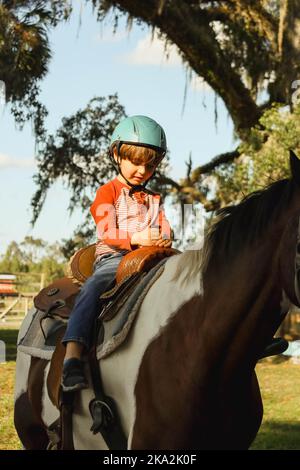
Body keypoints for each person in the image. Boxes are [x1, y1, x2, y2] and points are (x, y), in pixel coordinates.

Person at [61, 115, 172, 392]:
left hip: (151, 258)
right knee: (94, 287)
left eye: (150, 164)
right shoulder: (107, 192)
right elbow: (106, 230)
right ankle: (72, 356)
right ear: (116, 154)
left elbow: (165, 227)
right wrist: (137, 238)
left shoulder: (153, 199)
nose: (142, 170)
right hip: (115, 258)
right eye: (135, 161)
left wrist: (164, 236)